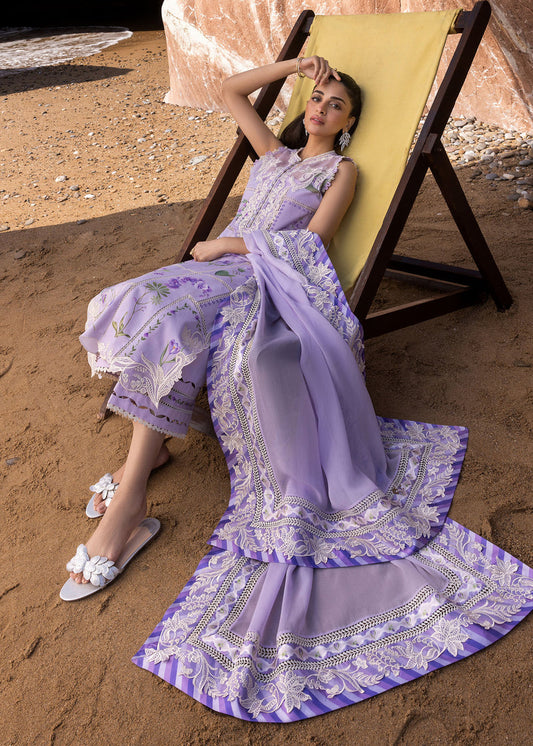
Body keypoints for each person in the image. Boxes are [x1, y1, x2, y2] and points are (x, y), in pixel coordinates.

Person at [62, 56, 533, 724]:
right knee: (136, 300)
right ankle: (149, 455)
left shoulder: (338, 171)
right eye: (316, 97)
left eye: (336, 104)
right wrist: (295, 63)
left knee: (170, 319)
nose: (320, 108)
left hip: (262, 279)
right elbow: (229, 89)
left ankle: (132, 491)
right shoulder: (272, 155)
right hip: (213, 274)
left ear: (349, 124)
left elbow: (312, 244)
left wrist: (225, 247)